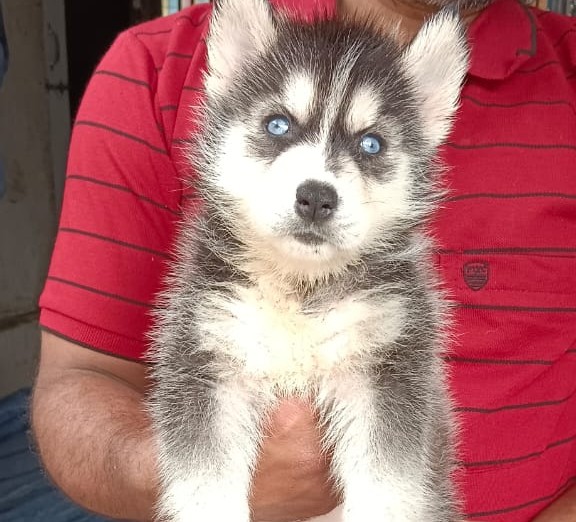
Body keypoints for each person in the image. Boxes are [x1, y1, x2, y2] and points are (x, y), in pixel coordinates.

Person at [31, 0, 576, 520]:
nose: (319, 183)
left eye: (370, 146)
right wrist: (183, 477)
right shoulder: (153, 65)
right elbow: (80, 382)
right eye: (278, 126)